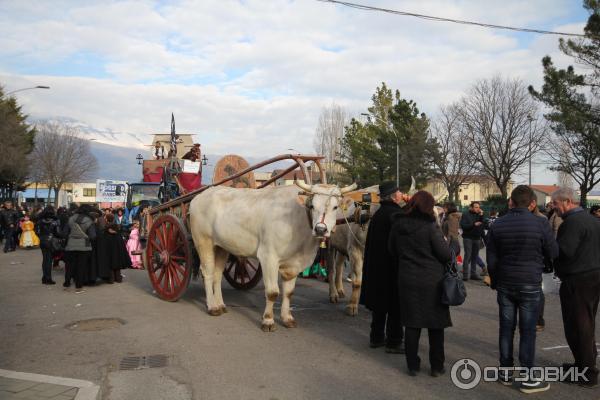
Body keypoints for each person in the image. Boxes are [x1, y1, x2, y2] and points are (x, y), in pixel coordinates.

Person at [486, 185, 558, 393]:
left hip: (506, 283)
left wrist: (496, 280)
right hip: (529, 281)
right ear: (532, 203)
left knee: (506, 328)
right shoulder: (540, 223)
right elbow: (553, 251)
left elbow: (492, 259)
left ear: (512, 201)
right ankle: (528, 377)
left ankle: (506, 371)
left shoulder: (498, 224)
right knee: (528, 331)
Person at [388, 190, 452, 377]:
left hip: (407, 279)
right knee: (435, 325)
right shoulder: (431, 227)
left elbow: (391, 250)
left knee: (411, 324)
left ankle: (413, 365)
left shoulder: (398, 225)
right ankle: (436, 366)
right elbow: (446, 255)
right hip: (432, 281)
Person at [552, 187, 600, 388]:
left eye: (555, 204)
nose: (553, 208)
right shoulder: (593, 220)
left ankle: (586, 371)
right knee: (586, 321)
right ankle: (583, 364)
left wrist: (550, 250)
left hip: (578, 278)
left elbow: (564, 251)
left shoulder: (571, 223)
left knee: (578, 325)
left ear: (566, 202)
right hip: (593, 275)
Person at [359, 181, 405, 354]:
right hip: (392, 268)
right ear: (394, 195)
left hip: (377, 268)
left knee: (379, 305)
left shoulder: (379, 214)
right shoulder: (396, 214)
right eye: (399, 192)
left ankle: (376, 337)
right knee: (395, 306)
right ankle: (394, 341)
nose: (401, 194)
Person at [64, 205, 97, 293]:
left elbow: (65, 233)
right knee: (81, 266)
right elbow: (93, 236)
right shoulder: (89, 220)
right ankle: (78, 286)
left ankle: (67, 284)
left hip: (70, 245)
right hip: (84, 246)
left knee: (70, 266)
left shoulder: (71, 219)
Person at [97, 213, 131, 283]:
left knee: (110, 263)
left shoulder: (105, 229)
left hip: (109, 250)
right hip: (117, 249)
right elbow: (120, 241)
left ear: (106, 219)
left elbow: (103, 240)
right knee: (117, 263)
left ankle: (111, 279)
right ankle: (118, 278)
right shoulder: (117, 229)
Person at [460, 201, 485, 281]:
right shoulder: (466, 214)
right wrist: (473, 224)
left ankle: (473, 274)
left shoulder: (479, 214)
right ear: (471, 207)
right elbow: (463, 226)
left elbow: (482, 224)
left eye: (478, 207)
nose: (478, 209)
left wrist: (481, 216)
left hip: (477, 238)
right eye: (476, 207)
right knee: (468, 255)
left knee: (474, 256)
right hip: (468, 238)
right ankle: (465, 275)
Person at [36, 207, 60, 285]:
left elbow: (37, 232)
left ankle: (44, 277)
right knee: (49, 260)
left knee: (45, 259)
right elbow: (57, 233)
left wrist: (42, 237)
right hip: (50, 241)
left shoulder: (39, 221)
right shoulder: (55, 221)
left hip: (42, 241)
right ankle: (48, 278)